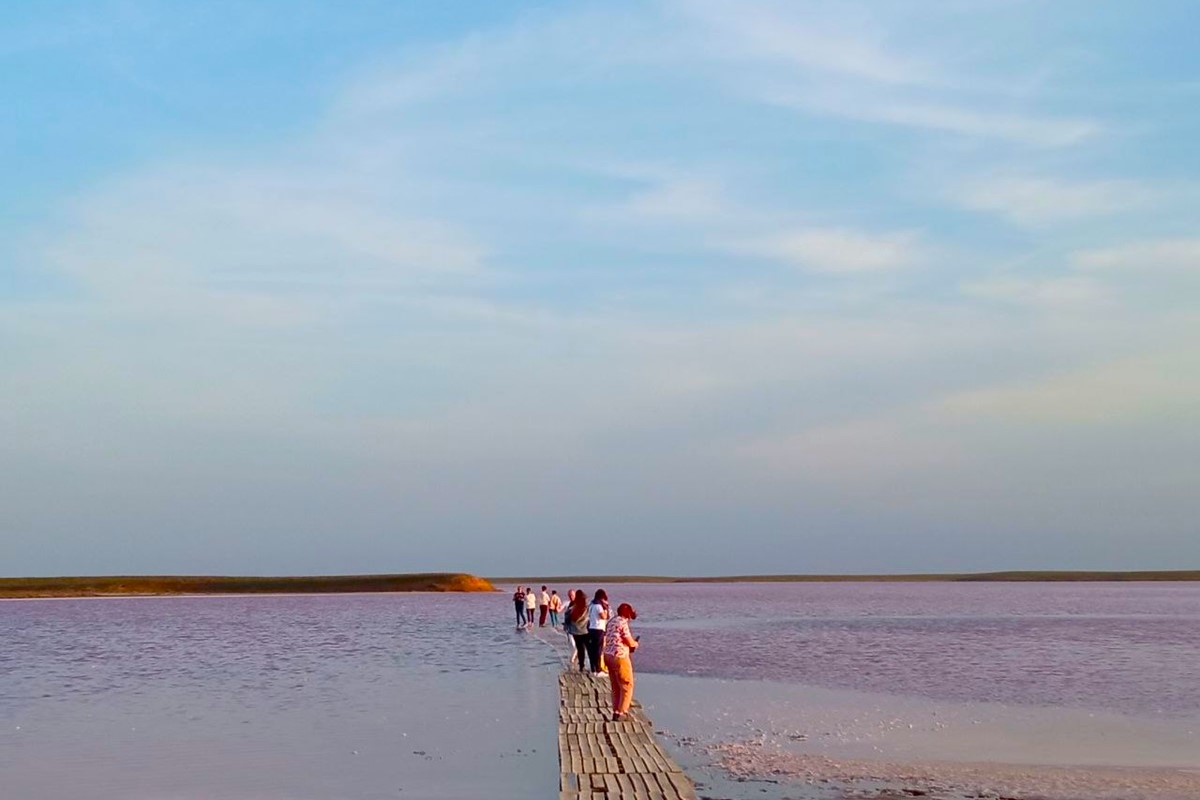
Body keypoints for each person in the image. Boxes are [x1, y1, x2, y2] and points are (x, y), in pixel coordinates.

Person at [603, 603, 639, 721]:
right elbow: (628, 641)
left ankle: (615, 711)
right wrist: (635, 644)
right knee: (626, 685)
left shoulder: (611, 621)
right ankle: (622, 712)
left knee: (615, 686)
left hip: (608, 655)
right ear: (627, 614)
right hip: (619, 656)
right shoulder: (622, 622)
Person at [566, 588, 590, 671]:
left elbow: (567, 617)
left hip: (575, 631)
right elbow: (590, 618)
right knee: (589, 648)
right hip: (585, 631)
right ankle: (593, 667)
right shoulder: (586, 607)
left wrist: (567, 626)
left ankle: (581, 666)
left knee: (580, 649)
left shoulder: (573, 607)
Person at [586, 589, 609, 675]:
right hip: (598, 629)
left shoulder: (591, 605)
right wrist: (606, 611)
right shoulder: (598, 606)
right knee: (598, 650)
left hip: (591, 628)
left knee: (592, 650)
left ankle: (593, 669)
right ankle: (598, 669)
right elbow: (603, 617)